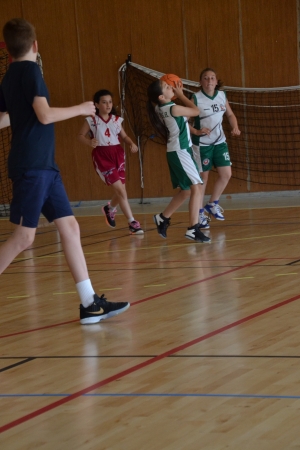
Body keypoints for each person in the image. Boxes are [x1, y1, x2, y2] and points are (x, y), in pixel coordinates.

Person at [0, 18, 129, 325]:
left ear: (7, 51)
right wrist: (82, 109)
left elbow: (5, 119)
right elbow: (44, 115)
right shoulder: (31, 70)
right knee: (23, 238)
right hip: (33, 166)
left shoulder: (8, 77)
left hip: (43, 165)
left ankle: (89, 304)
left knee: (70, 227)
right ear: (35, 46)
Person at [146, 78, 211, 243]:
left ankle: (163, 217)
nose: (171, 87)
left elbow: (179, 122)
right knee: (197, 187)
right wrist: (181, 95)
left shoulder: (162, 108)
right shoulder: (173, 108)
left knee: (187, 190)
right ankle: (193, 228)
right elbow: (196, 111)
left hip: (178, 150)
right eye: (167, 87)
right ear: (162, 97)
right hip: (180, 151)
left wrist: (194, 131)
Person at [78, 89, 144, 235]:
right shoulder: (91, 120)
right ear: (96, 104)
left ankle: (109, 208)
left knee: (121, 190)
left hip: (117, 154)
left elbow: (125, 136)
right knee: (120, 190)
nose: (108, 105)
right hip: (102, 156)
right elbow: (80, 136)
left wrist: (131, 143)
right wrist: (89, 142)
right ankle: (132, 222)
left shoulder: (116, 120)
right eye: (104, 102)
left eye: (110, 102)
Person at [190, 68, 241, 225]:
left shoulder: (221, 96)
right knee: (203, 179)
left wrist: (235, 126)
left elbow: (230, 114)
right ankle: (199, 214)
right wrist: (196, 131)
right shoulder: (196, 98)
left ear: (216, 81)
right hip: (202, 145)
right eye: (206, 78)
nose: (209, 80)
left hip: (219, 142)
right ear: (201, 82)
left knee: (226, 174)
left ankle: (212, 203)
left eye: (212, 78)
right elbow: (184, 121)